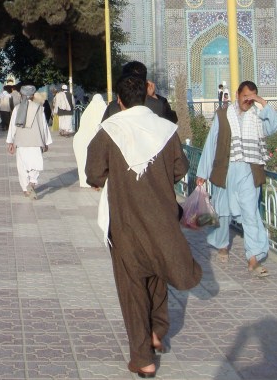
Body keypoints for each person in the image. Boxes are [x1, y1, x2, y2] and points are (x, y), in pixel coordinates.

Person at [86, 74, 201, 378]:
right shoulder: (166, 130)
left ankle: (143, 357)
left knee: (132, 287)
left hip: (125, 224)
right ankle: (157, 331)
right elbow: (180, 168)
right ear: (147, 97)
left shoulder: (110, 131)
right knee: (157, 276)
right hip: (162, 219)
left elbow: (94, 173)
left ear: (120, 101)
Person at [196, 80, 277, 277]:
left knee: (250, 213)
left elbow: (275, 125)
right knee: (222, 212)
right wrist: (202, 172)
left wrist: (261, 101)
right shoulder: (223, 115)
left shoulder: (258, 118)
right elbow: (211, 142)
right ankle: (222, 245)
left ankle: (253, 258)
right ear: (237, 95)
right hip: (226, 170)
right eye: (245, 97)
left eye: (252, 97)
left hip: (250, 170)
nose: (248, 101)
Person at [6, 85, 52, 199]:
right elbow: (44, 126)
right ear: (32, 95)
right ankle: (32, 181)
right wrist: (46, 142)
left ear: (22, 95)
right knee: (36, 164)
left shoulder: (17, 109)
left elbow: (12, 127)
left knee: (22, 167)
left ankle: (26, 189)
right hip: (36, 141)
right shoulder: (39, 108)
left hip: (21, 142)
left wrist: (10, 142)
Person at [102, 61, 177, 124]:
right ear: (146, 83)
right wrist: (154, 98)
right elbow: (171, 124)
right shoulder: (159, 104)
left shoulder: (113, 107)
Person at [72, 93, 106, 187]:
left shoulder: (87, 113)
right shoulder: (104, 110)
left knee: (83, 161)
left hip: (82, 140)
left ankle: (84, 181)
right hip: (97, 140)